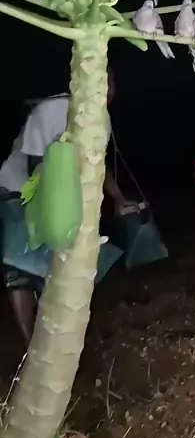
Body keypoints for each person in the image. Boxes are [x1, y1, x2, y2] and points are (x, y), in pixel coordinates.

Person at [0, 68, 141, 343]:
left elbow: (97, 164)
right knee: (20, 270)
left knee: (63, 262)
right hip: (20, 189)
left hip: (64, 192)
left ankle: (58, 332)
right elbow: (35, 168)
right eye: (99, 82)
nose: (106, 90)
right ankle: (32, 346)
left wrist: (120, 199)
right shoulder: (51, 111)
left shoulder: (101, 119)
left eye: (110, 84)